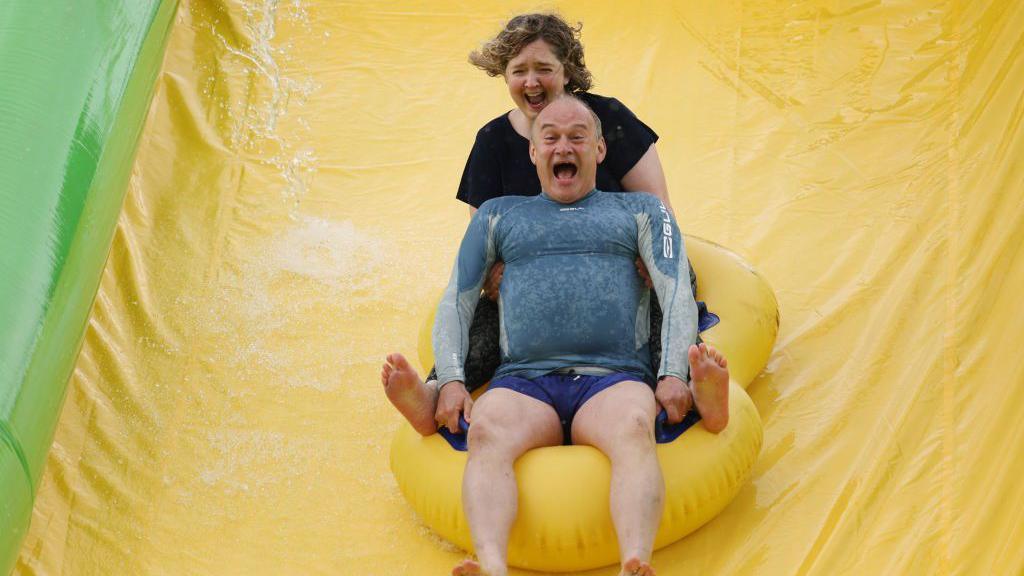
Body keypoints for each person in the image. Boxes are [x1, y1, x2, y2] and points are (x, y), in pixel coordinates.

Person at [420, 95, 728, 576]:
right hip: (524, 379)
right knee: (485, 432)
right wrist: (454, 380)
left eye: (577, 137)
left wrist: (671, 372)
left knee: (632, 429)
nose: (564, 146)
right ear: (533, 154)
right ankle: (492, 567)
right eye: (551, 138)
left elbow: (675, 295)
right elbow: (456, 301)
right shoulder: (499, 215)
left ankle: (634, 562)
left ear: (600, 150)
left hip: (614, 376)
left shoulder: (642, 212)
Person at [382, 13, 712, 439]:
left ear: (567, 71)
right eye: (520, 71)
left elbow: (659, 208)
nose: (532, 82)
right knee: (488, 318)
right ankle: (435, 390)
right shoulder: (493, 142)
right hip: (538, 282)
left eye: (544, 69)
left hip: (624, 269)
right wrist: (495, 278)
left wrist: (643, 261)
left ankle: (682, 383)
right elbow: (483, 242)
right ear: (505, 75)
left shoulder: (606, 118)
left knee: (667, 295)